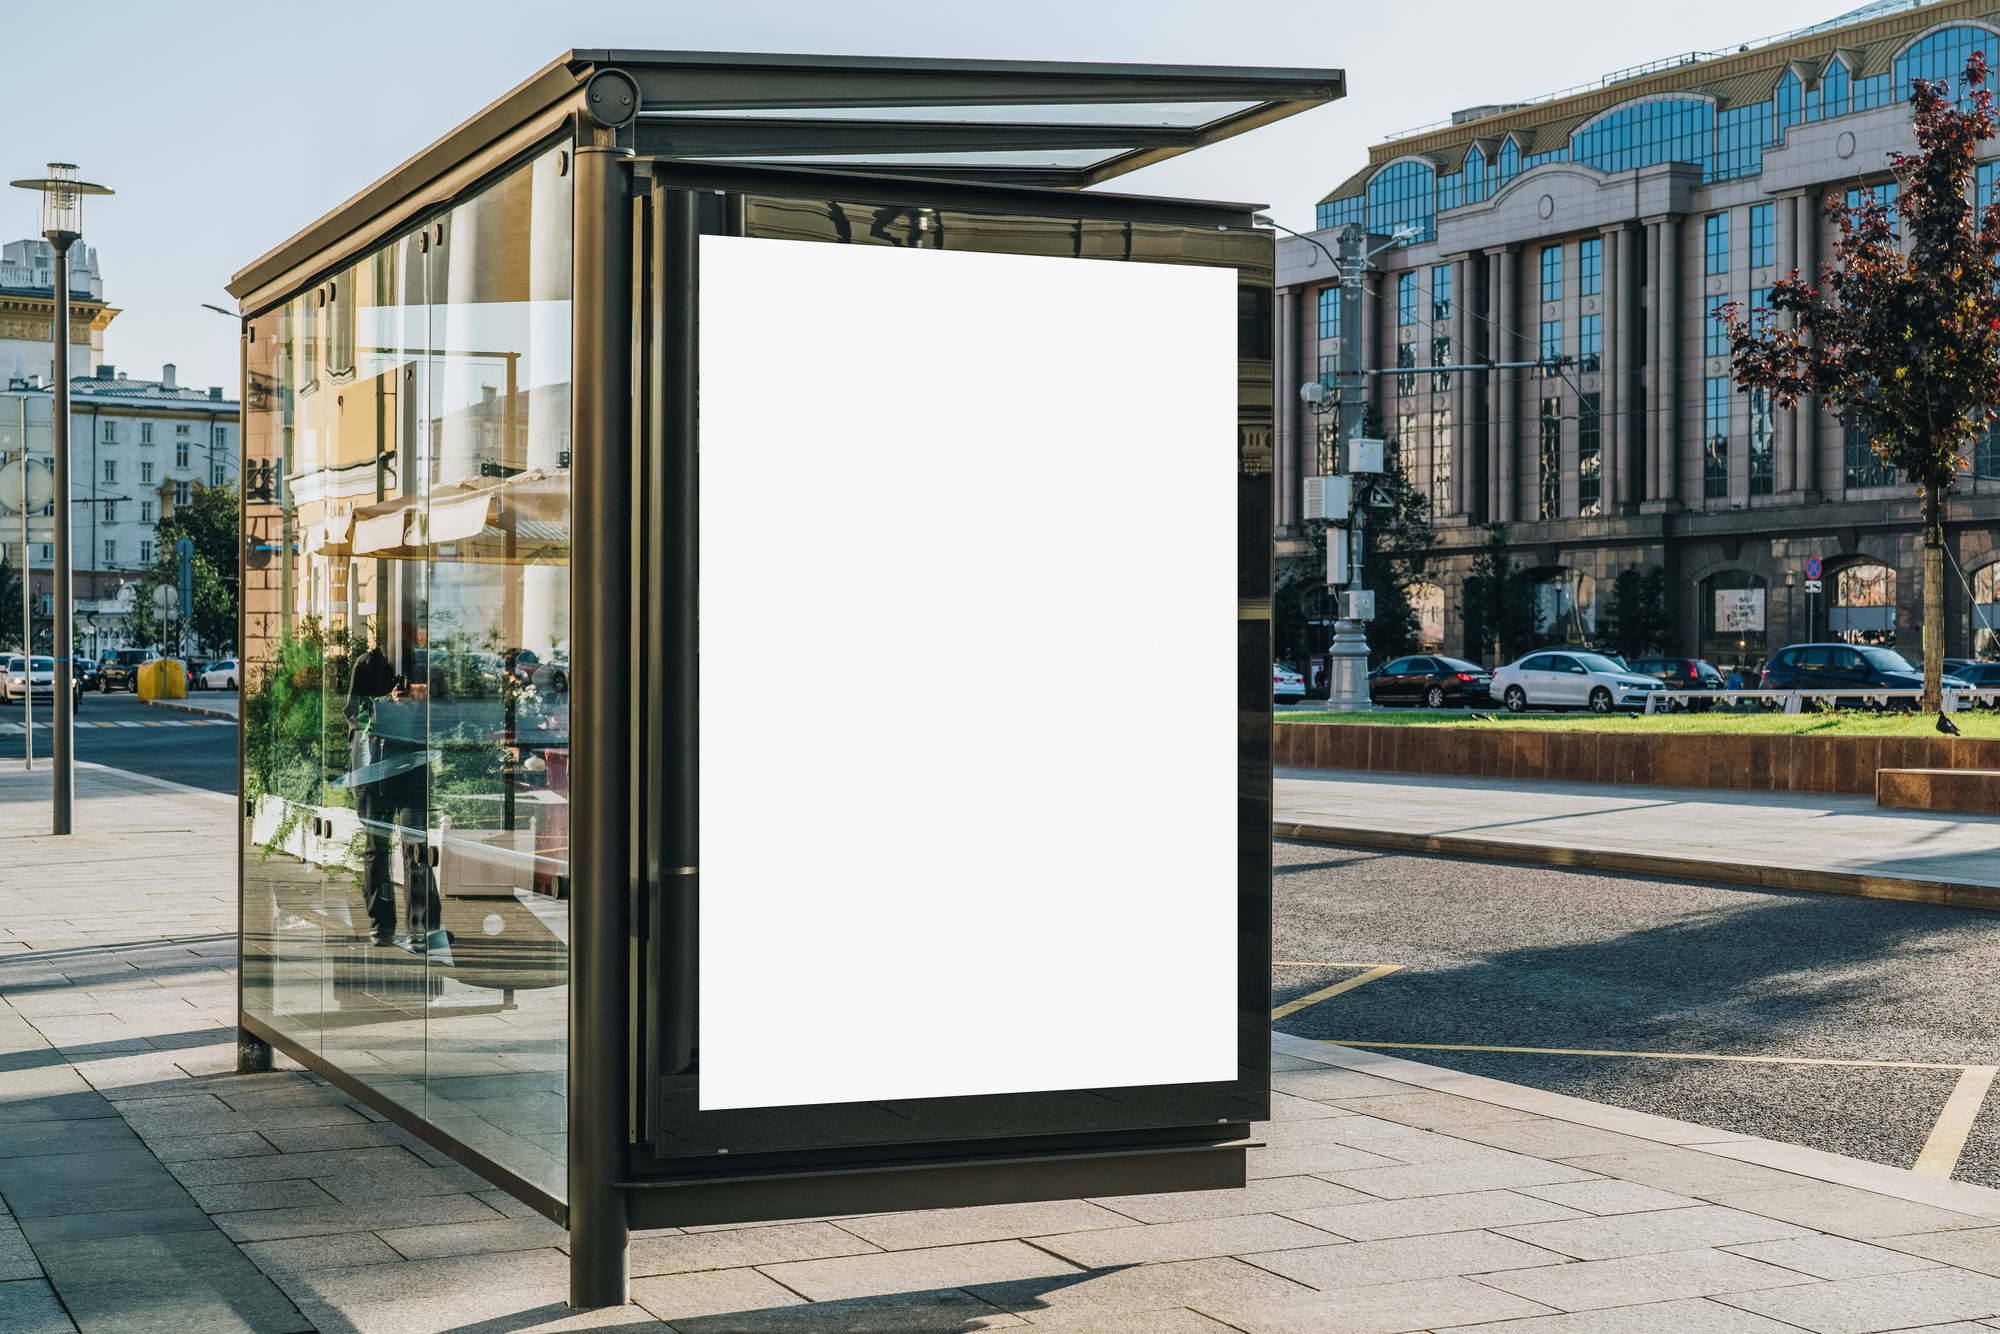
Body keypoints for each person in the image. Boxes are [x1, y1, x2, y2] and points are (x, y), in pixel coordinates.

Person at [345, 643, 399, 945]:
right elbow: (354, 713)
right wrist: (388, 701)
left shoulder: (423, 665)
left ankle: (423, 923)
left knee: (417, 846)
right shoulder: (368, 664)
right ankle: (383, 923)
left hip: (409, 763)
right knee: (377, 845)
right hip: (372, 763)